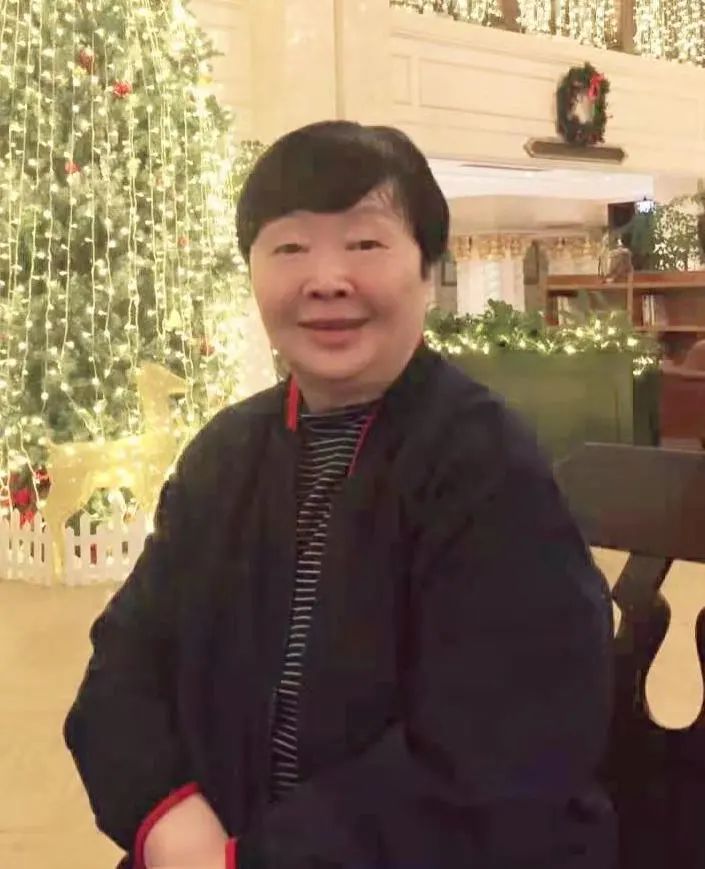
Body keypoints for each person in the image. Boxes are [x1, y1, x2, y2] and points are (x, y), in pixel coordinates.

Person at [65, 120, 615, 869]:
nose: (326, 279)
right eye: (289, 247)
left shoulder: (487, 464)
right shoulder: (226, 453)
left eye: (364, 244)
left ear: (428, 270)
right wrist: (171, 823)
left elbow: (499, 749)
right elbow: (124, 664)